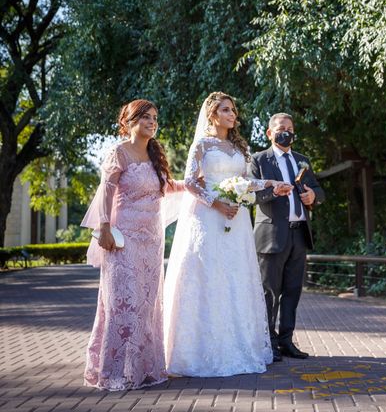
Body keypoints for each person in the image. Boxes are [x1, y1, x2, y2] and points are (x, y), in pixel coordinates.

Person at [163, 92, 291, 377]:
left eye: (233, 110)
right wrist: (216, 202)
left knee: (236, 277)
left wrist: (272, 183)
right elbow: (190, 183)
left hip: (237, 219)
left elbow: (246, 181)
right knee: (209, 277)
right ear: (212, 115)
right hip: (208, 216)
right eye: (225, 110)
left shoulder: (240, 148)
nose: (232, 114)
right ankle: (199, 349)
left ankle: (237, 345)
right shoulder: (202, 145)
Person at [81, 99, 185, 391]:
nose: (153, 122)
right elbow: (106, 191)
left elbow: (167, 186)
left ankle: (143, 369)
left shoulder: (154, 154)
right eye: (146, 117)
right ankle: (114, 371)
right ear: (128, 121)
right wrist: (103, 227)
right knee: (121, 302)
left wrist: (192, 184)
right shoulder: (119, 152)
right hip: (123, 238)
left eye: (155, 117)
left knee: (146, 304)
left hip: (152, 240)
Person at [251, 112, 325, 361]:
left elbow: (318, 189)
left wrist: (313, 197)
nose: (287, 132)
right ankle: (268, 344)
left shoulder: (302, 160)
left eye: (290, 128)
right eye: (282, 128)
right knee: (269, 293)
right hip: (271, 235)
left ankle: (286, 342)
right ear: (270, 133)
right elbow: (251, 196)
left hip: (299, 235)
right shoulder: (259, 160)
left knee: (292, 291)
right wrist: (274, 191)